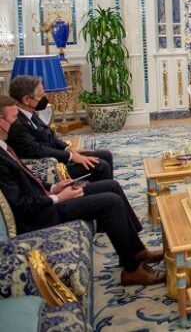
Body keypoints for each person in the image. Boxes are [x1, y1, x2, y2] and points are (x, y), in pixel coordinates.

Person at [0, 95, 165, 287]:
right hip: (40, 215)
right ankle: (132, 270)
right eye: (13, 117)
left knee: (111, 186)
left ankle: (136, 251)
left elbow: (28, 181)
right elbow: (20, 205)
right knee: (110, 202)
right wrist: (57, 198)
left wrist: (55, 187)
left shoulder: (4, 147)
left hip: (46, 198)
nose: (17, 121)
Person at [7, 75, 114, 182]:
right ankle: (103, 194)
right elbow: (37, 150)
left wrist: (68, 149)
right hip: (48, 168)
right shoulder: (16, 123)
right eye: (41, 95)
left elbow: (50, 136)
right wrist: (71, 156)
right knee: (100, 166)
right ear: (26, 99)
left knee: (105, 155)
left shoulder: (29, 112)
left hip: (58, 157)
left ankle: (105, 191)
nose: (45, 98)